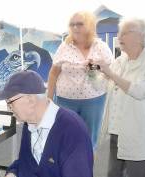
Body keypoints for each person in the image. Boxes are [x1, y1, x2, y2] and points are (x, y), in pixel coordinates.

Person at [0, 70, 98, 177]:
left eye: (10, 103)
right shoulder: (30, 123)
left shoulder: (71, 129)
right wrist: (12, 173)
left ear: (30, 100)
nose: (9, 109)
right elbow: (26, 162)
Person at [96, 19, 145, 177]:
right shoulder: (120, 61)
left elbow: (140, 91)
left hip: (139, 135)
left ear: (140, 37)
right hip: (116, 132)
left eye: (124, 33)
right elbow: (102, 86)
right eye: (120, 32)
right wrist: (94, 74)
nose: (119, 37)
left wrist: (110, 74)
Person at [47, 11, 113, 150]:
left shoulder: (101, 47)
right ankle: (68, 170)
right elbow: (53, 74)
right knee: (66, 139)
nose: (75, 27)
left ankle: (87, 170)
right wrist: (49, 99)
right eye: (72, 24)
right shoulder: (64, 47)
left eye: (79, 24)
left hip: (94, 100)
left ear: (89, 25)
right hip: (65, 100)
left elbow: (110, 74)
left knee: (89, 141)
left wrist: (94, 70)